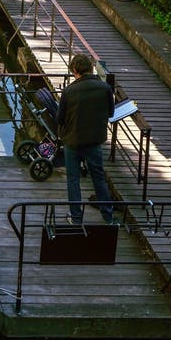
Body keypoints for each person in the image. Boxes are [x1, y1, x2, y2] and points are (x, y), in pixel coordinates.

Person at [56, 53, 115, 225]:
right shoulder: (105, 88)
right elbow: (111, 113)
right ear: (90, 68)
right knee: (98, 177)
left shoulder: (69, 91)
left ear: (74, 70)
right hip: (94, 140)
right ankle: (108, 216)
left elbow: (60, 118)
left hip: (72, 140)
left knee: (73, 179)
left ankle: (75, 217)